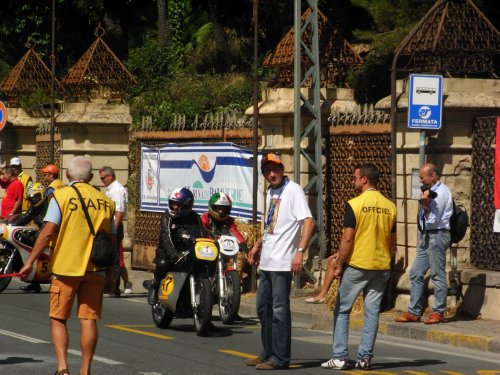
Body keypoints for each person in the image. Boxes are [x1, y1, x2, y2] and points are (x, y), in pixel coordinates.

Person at [19, 156, 115, 375]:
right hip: (96, 268)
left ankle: (63, 368)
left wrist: (31, 261)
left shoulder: (61, 196)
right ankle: (85, 370)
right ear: (91, 177)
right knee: (88, 319)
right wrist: (112, 272)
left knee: (58, 317)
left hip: (66, 268)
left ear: (68, 175)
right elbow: (112, 240)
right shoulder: (106, 202)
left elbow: (48, 232)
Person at [321, 163, 396, 370]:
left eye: (355, 177)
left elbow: (347, 239)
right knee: (372, 312)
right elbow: (393, 244)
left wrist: (339, 263)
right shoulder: (390, 206)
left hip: (358, 265)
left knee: (342, 309)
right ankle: (365, 358)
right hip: (381, 266)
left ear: (364, 180)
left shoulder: (355, 204)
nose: (353, 181)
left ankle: (340, 356)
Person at [246, 153, 315, 370]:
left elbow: (309, 221)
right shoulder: (271, 192)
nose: (271, 174)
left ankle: (281, 358)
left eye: (275, 169)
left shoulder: (293, 190)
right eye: (267, 171)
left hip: (283, 260)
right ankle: (267, 352)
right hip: (267, 259)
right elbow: (271, 225)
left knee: (279, 310)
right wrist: (258, 245)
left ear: (282, 169)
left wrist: (300, 251)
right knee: (262, 308)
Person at [395, 163, 453, 325]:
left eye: (422, 177)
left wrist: (426, 204)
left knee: (437, 274)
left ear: (433, 176)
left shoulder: (440, 193)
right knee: (415, 272)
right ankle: (414, 311)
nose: (420, 181)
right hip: (426, 236)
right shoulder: (429, 191)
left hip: (437, 234)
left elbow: (433, 220)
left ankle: (438, 312)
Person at [144, 187, 211, 305]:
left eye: (178, 204)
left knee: (203, 266)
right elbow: (166, 237)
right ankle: (154, 285)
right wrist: (174, 254)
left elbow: (201, 233)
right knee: (163, 263)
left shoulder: (195, 217)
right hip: (168, 249)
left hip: (188, 249)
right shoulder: (167, 217)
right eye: (173, 204)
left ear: (187, 205)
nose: (175, 207)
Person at [99, 166, 132, 296]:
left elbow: (119, 212)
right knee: (112, 256)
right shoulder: (111, 189)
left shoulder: (117, 190)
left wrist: (113, 229)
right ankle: (115, 285)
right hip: (111, 226)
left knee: (115, 258)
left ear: (110, 176)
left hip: (114, 227)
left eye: (103, 178)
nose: (101, 181)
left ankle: (115, 288)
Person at [11, 182, 48, 293]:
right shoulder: (34, 207)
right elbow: (26, 217)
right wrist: (11, 225)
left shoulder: (48, 205)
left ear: (41, 195)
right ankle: (33, 281)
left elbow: (48, 224)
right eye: (32, 197)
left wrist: (40, 231)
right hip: (39, 232)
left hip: (48, 235)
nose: (34, 200)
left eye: (36, 197)